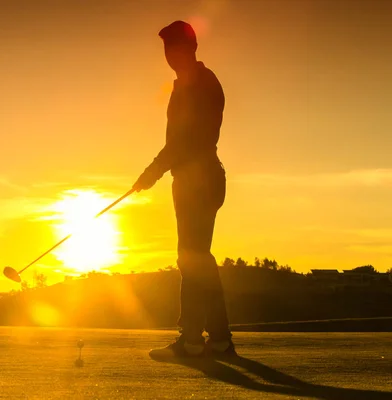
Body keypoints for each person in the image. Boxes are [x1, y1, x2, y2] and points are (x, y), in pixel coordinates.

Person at [132, 20, 235, 357]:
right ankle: (218, 338)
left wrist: (153, 171)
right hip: (193, 178)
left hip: (200, 178)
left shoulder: (201, 84)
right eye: (165, 49)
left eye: (174, 47)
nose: (169, 55)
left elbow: (186, 140)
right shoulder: (185, 85)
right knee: (198, 259)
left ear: (191, 48)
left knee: (192, 259)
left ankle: (191, 340)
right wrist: (159, 170)